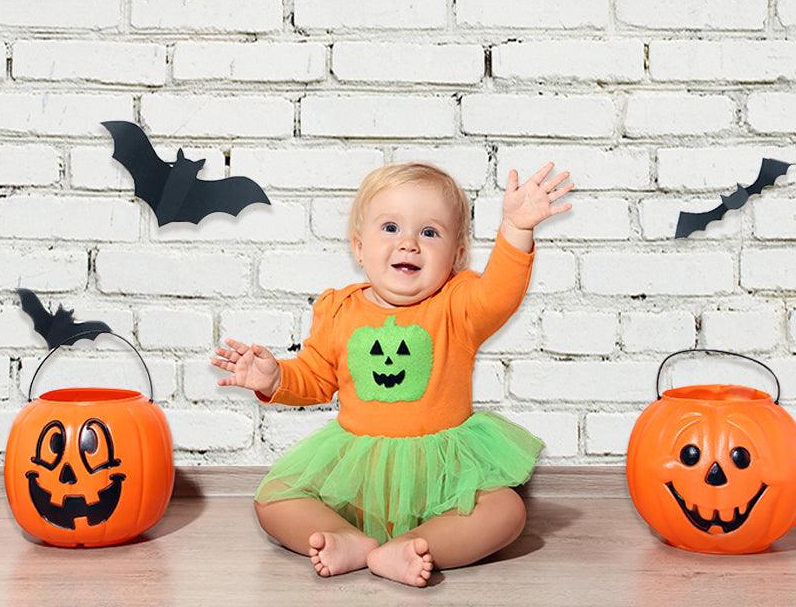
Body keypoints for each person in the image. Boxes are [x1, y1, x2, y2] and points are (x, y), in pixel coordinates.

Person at [211, 160, 573, 587]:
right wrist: (275, 379)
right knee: (272, 498)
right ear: (359, 247)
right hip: (359, 477)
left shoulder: (457, 306)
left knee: (506, 511)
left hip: (443, 477)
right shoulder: (339, 310)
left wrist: (515, 229)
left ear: (457, 256)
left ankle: (417, 545)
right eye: (390, 228)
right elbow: (316, 377)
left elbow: (499, 294)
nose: (409, 244)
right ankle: (349, 539)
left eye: (430, 232)